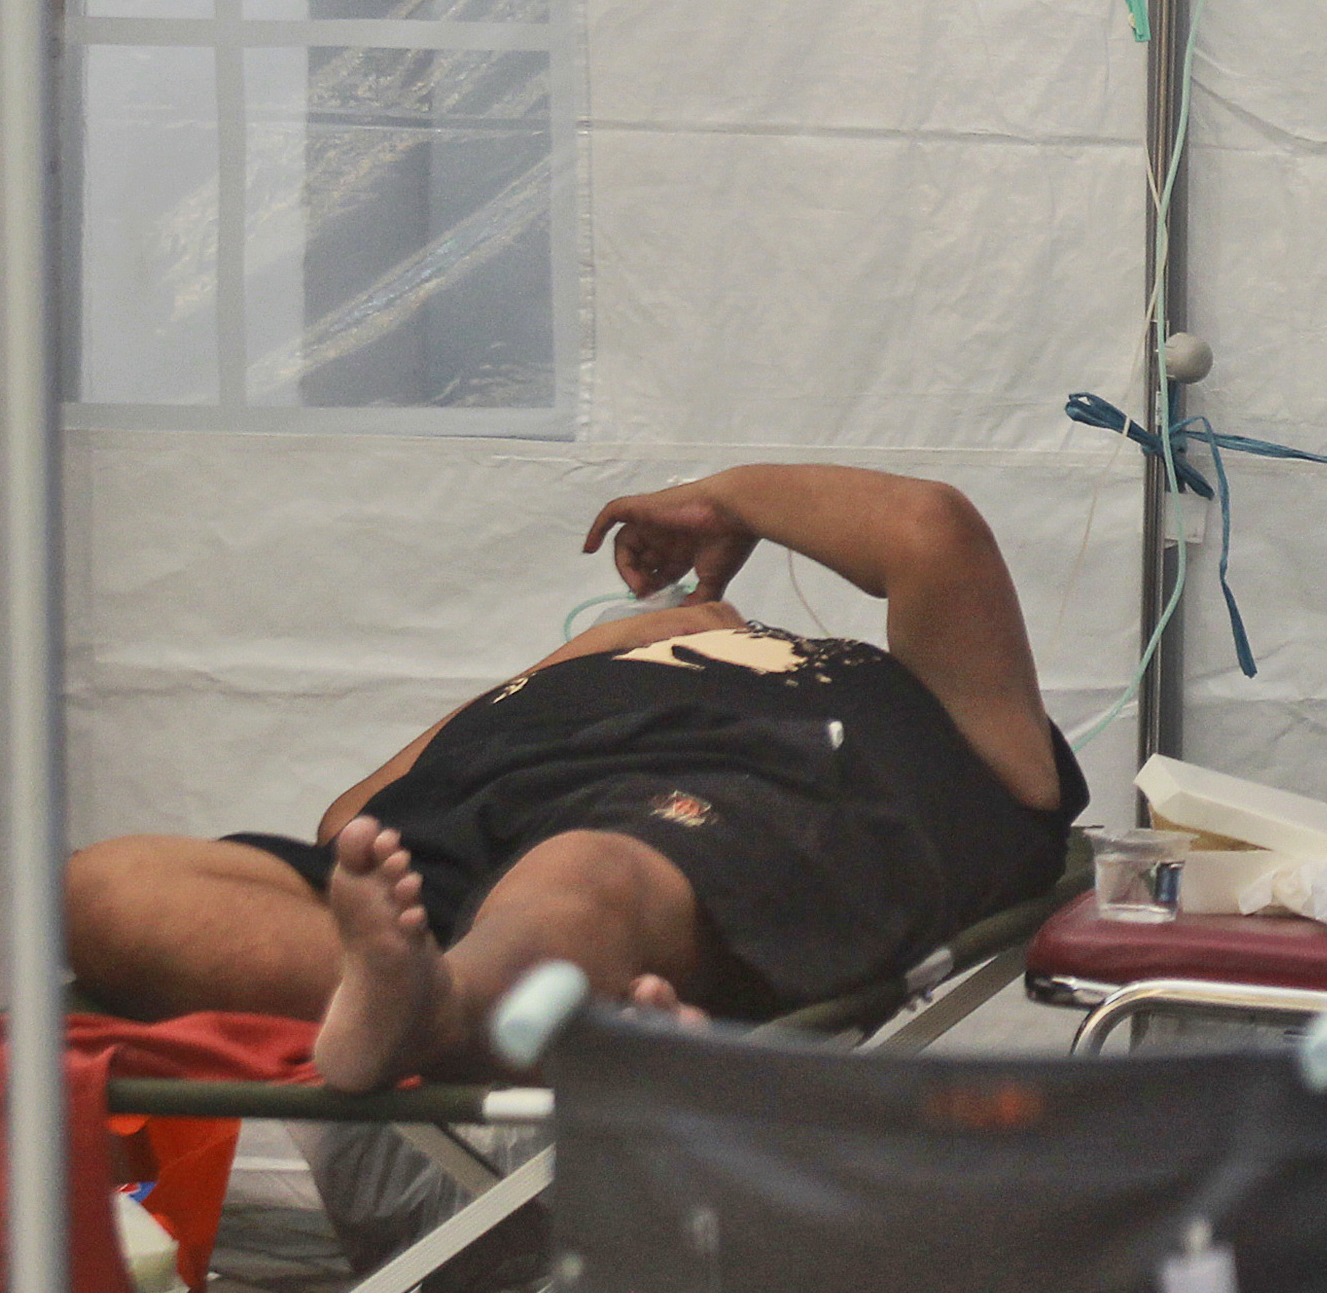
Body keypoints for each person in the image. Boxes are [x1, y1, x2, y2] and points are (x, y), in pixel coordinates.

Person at [63, 464, 1085, 1089]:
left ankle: (441, 1004)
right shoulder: (607, 662)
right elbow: (356, 822)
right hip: (477, 837)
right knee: (105, 885)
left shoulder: (974, 739)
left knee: (586, 869)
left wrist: (724, 497)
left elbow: (930, 525)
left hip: (714, 819)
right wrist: (592, 655)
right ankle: (432, 997)